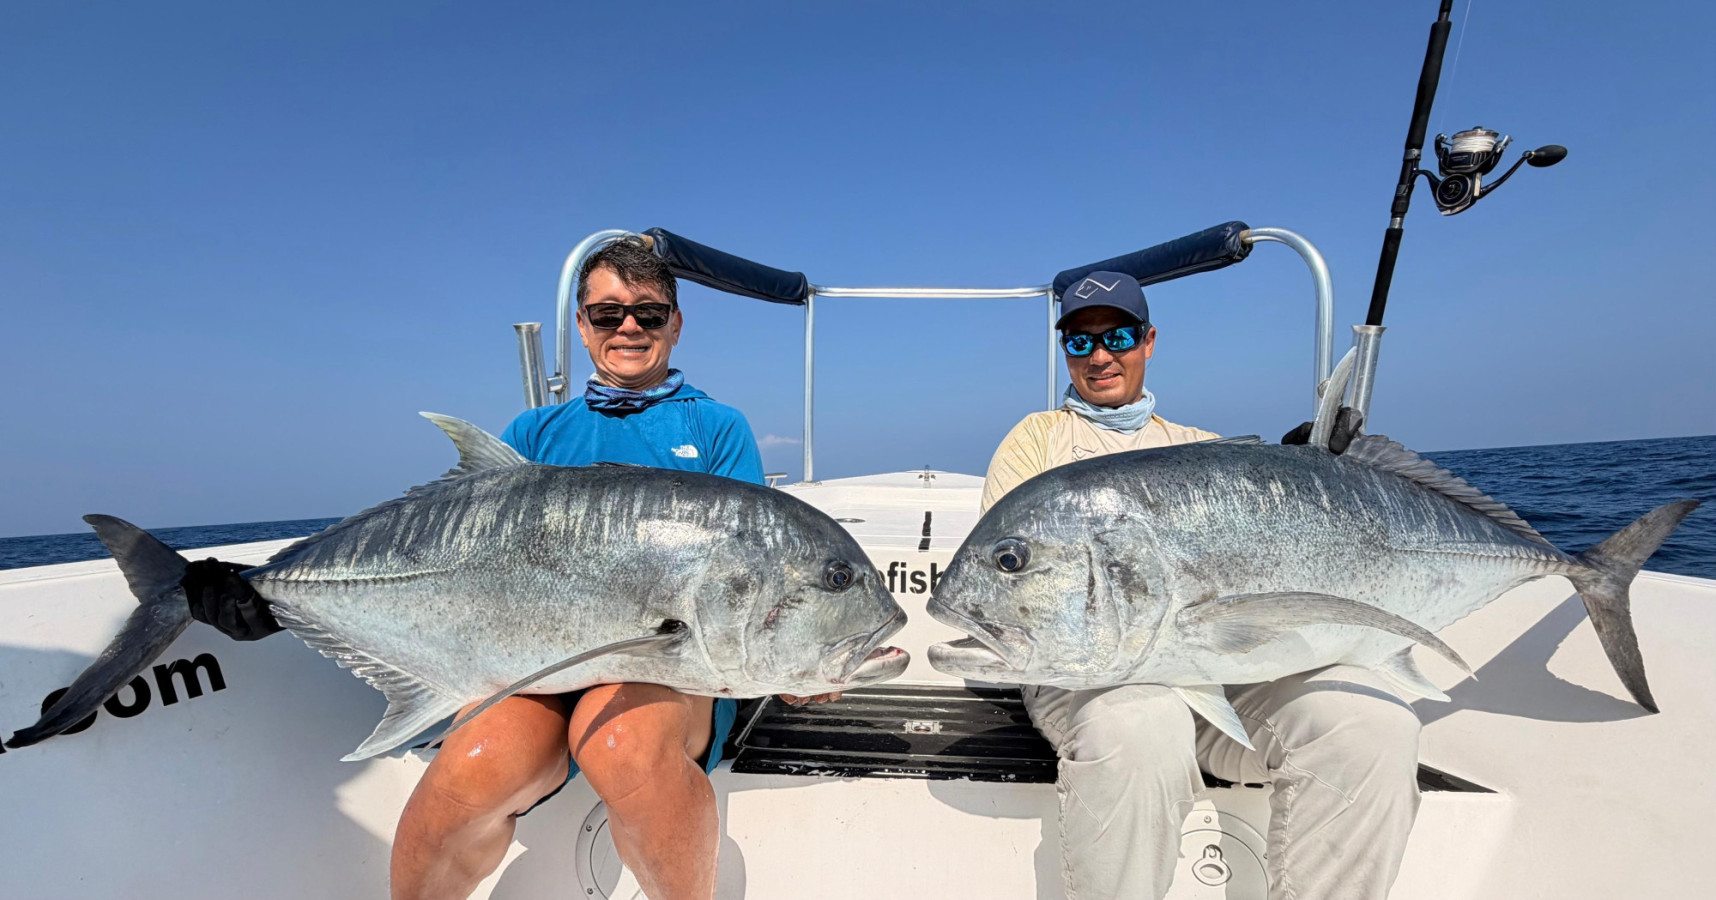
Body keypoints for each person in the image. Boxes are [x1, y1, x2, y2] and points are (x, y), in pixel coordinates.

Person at [182, 237, 834, 900]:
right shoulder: (533, 433)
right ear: (583, 325)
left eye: (649, 312)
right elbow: (442, 559)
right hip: (532, 664)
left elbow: (753, 573)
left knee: (622, 744)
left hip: (666, 671)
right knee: (474, 763)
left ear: (676, 323)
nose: (629, 328)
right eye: (608, 314)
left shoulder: (717, 428)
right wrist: (277, 596)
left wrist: (800, 658)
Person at [979, 271, 1420, 900]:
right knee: (1142, 724)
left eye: (1117, 337)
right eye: (1080, 341)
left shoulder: (1200, 449)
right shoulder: (1036, 443)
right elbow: (1015, 592)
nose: (1100, 356)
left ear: (1148, 341)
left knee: (1370, 724)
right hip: (1087, 676)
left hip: (1212, 672)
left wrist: (1308, 473)